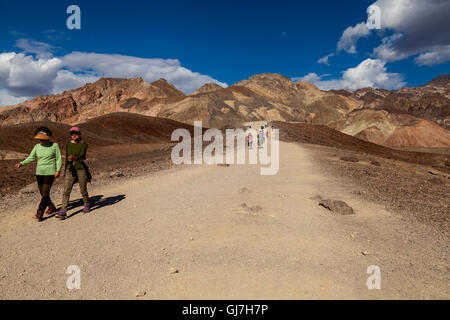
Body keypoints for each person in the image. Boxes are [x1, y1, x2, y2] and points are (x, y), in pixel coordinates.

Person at [15, 127, 62, 221]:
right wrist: (22, 163)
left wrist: (58, 170)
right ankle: (51, 206)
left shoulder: (54, 146)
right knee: (42, 192)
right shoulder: (37, 147)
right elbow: (31, 158)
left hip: (50, 172)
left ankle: (40, 212)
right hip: (39, 172)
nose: (41, 139)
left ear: (47, 137)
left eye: (42, 137)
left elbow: (58, 158)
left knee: (45, 192)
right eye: (39, 138)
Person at [56, 127, 91, 219]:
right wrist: (66, 169)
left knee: (83, 189)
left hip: (80, 168)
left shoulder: (84, 144)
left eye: (75, 133)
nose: (73, 135)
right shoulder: (68, 144)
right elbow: (68, 157)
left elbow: (82, 156)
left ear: (79, 134)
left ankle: (87, 204)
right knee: (66, 190)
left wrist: (74, 158)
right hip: (70, 169)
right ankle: (63, 210)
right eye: (72, 133)